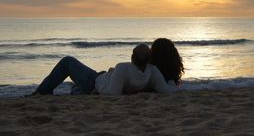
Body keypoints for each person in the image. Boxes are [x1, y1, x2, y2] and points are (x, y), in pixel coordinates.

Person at [31, 41, 178, 96]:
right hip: (106, 79)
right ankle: (77, 89)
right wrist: (171, 82)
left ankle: (41, 92)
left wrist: (112, 73)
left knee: (67, 62)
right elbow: (168, 91)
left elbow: (112, 92)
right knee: (77, 88)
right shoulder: (156, 74)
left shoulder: (128, 68)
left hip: (97, 81)